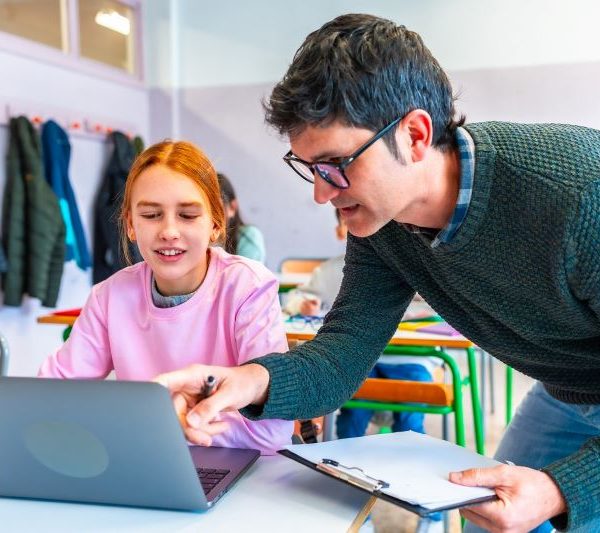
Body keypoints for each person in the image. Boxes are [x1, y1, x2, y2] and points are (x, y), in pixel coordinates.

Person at [154, 14, 600, 532]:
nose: (321, 193)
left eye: (337, 163)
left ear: (414, 135)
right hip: (567, 393)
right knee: (489, 521)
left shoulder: (578, 195)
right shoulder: (383, 223)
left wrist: (563, 489)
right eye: (310, 169)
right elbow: (343, 353)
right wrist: (245, 381)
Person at [39, 140, 292, 455]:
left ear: (215, 223)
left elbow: (272, 433)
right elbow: (49, 397)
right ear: (131, 224)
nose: (169, 231)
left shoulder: (248, 287)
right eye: (151, 214)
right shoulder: (109, 296)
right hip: (143, 461)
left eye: (187, 215)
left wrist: (161, 427)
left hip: (237, 472)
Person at [284, 208, 435, 438]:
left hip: (410, 358)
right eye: (347, 221)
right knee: (353, 412)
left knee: (410, 418)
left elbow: (435, 308)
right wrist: (303, 304)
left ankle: (408, 469)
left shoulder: (407, 266)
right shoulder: (329, 272)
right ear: (339, 231)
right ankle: (340, 465)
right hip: (360, 361)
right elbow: (295, 298)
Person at [217, 173, 266, 263]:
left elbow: (247, 276)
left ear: (232, 207)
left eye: (216, 209)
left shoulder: (248, 236)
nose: (211, 217)